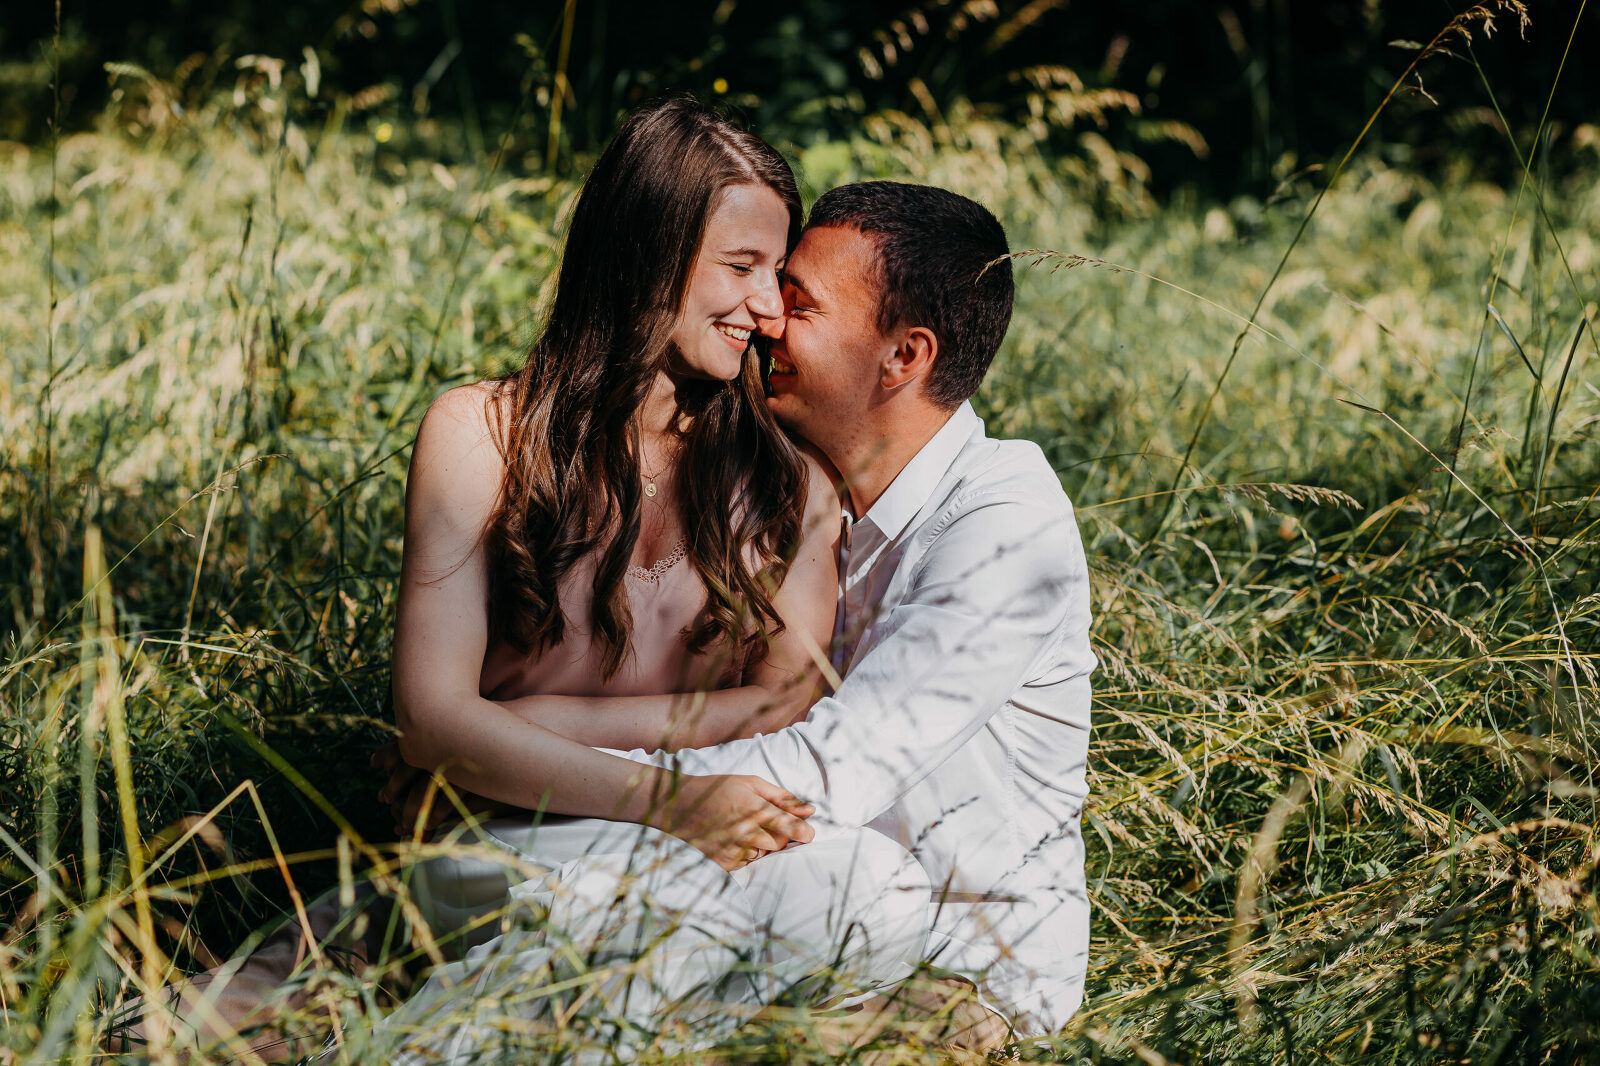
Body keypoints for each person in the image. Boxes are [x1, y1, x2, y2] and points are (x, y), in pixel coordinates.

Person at [103, 100, 930, 1063]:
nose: (765, 309)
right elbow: (433, 719)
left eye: (778, 280)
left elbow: (789, 704)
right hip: (492, 847)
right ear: (645, 253)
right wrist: (661, 791)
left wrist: (517, 731)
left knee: (857, 905)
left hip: (670, 856)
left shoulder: (786, 478)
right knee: (203, 1031)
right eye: (740, 269)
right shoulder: (481, 437)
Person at [501, 180, 1097, 1041]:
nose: (767, 321)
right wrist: (496, 752)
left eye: (800, 302)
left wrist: (520, 753)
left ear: (904, 356)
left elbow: (828, 773)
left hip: (959, 961)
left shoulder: (1005, 527)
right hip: (801, 885)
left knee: (825, 882)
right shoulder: (808, 492)